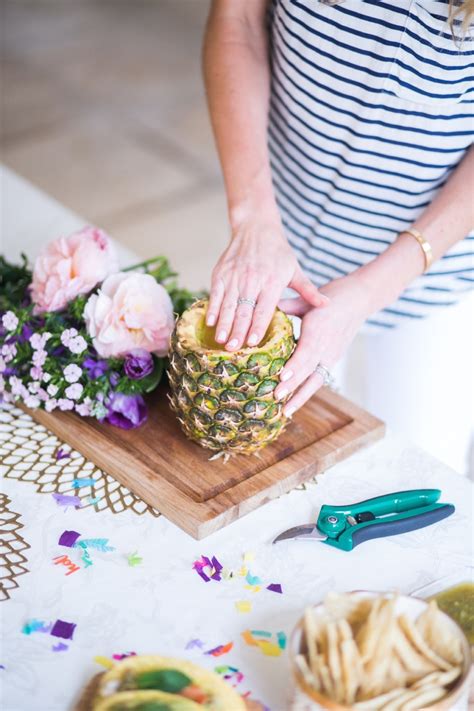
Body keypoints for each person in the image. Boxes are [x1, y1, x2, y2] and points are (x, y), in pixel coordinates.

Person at [202, 0, 474, 474]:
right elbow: (238, 18)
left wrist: (372, 289)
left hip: (435, 271)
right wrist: (252, 218)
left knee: (421, 470)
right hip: (277, 243)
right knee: (259, 470)